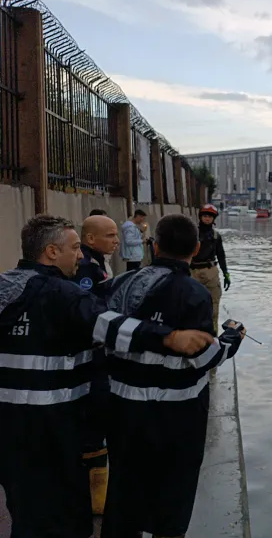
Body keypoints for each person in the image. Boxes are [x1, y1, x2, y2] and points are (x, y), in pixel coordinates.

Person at [0, 214, 214, 538]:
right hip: (52, 428)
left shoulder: (5, 288)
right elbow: (110, 326)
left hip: (7, 428)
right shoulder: (63, 294)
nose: (81, 256)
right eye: (74, 248)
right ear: (51, 252)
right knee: (64, 517)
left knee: (24, 509)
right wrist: (168, 338)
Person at [101, 214, 245, 538]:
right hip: (178, 416)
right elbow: (204, 356)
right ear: (195, 249)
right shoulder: (194, 294)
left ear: (153, 245)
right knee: (173, 497)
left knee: (124, 490)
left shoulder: (120, 285)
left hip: (123, 411)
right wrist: (232, 339)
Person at [71, 215, 121, 517]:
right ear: (91, 239)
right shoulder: (87, 269)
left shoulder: (98, 263)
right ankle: (95, 494)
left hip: (97, 354)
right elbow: (91, 313)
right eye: (110, 235)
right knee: (94, 419)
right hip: (91, 356)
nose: (116, 241)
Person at [191, 204, 230, 331]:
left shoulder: (216, 236)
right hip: (193, 272)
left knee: (213, 308)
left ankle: (213, 338)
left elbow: (221, 255)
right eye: (205, 216)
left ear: (214, 219)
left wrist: (226, 274)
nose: (207, 219)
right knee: (191, 306)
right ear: (200, 217)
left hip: (211, 272)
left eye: (210, 217)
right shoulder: (192, 234)